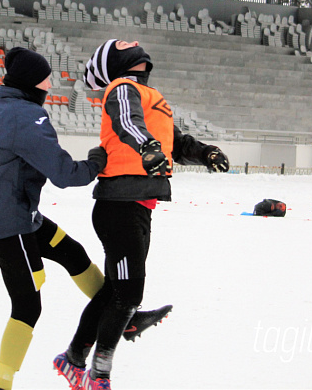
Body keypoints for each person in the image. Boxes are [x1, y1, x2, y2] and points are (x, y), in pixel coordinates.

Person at [0, 47, 168, 390]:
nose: (50, 85)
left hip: (9, 212)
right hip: (8, 223)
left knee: (71, 252)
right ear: (32, 83)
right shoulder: (27, 115)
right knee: (27, 306)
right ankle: (2, 385)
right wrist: (96, 162)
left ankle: (123, 320)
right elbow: (63, 174)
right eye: (47, 79)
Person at [54, 39, 230, 390]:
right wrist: (146, 147)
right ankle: (98, 373)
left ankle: (73, 359)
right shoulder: (120, 89)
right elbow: (126, 122)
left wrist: (206, 152)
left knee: (114, 292)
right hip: (119, 205)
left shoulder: (154, 100)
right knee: (129, 295)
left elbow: (176, 143)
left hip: (137, 206)